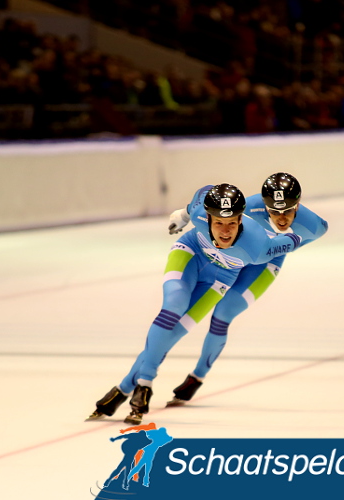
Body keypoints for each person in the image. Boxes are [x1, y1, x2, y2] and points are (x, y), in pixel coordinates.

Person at [86, 183, 304, 425]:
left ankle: (128, 387)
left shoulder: (260, 248)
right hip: (192, 252)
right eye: (218, 222)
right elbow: (197, 201)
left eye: (232, 223)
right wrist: (182, 215)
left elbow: (294, 240)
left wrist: (293, 237)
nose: (224, 231)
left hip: (227, 272)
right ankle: (143, 384)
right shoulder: (201, 212)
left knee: (195, 325)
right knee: (173, 308)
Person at [164, 173, 328, 406]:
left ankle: (197, 376)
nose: (281, 219)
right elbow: (209, 207)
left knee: (223, 314)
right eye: (274, 211)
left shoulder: (314, 225)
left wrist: (283, 247)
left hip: (265, 263)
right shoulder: (250, 205)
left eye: (288, 211)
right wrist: (184, 214)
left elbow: (310, 235)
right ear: (263, 204)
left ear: (298, 205)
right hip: (233, 257)